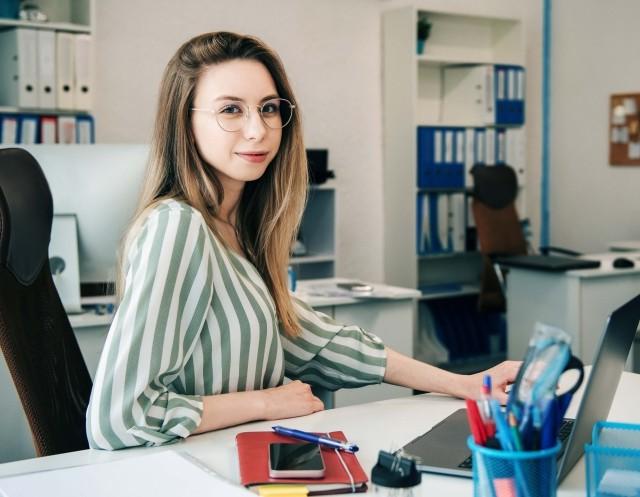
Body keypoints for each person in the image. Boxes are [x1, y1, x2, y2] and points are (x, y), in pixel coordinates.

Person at [86, 31, 518, 450]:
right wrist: (264, 402)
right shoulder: (177, 226)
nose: (258, 130)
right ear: (185, 122)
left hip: (232, 459)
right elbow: (119, 419)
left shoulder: (239, 233)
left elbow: (322, 342)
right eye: (231, 110)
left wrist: (466, 384)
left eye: (269, 108)